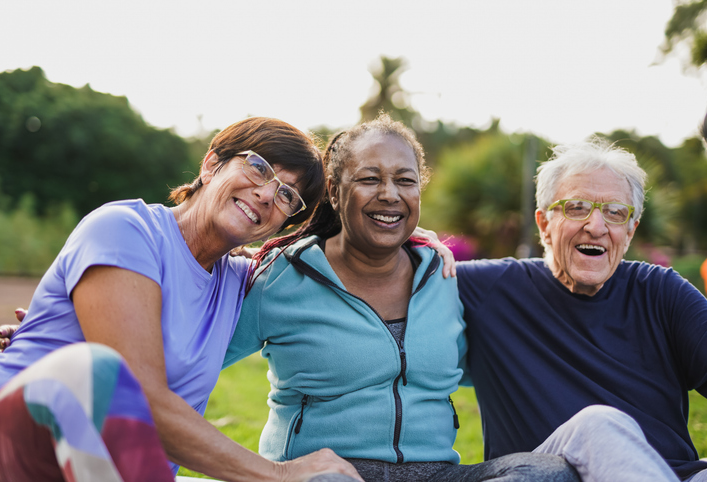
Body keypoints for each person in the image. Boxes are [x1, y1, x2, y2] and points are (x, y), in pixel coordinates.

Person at [0, 117, 362, 482]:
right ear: (212, 164)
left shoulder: (245, 282)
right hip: (10, 448)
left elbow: (363, 246)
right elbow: (141, 397)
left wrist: (417, 243)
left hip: (113, 470)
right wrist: (278, 474)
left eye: (286, 195)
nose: (266, 195)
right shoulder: (124, 229)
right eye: (259, 168)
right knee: (97, 370)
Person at [220, 114, 580, 481]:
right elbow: (188, 367)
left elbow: (503, 367)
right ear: (333, 190)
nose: (390, 194)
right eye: (369, 178)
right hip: (331, 474)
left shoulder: (444, 276)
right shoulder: (280, 279)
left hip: (436, 474)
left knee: (548, 472)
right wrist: (270, 470)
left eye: (405, 181)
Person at [456, 139, 707, 481]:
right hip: (552, 473)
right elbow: (382, 261)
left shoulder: (662, 292)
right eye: (577, 207)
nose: (597, 226)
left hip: (677, 475)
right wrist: (423, 245)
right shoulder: (489, 288)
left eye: (615, 212)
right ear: (544, 223)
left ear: (630, 230)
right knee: (598, 425)